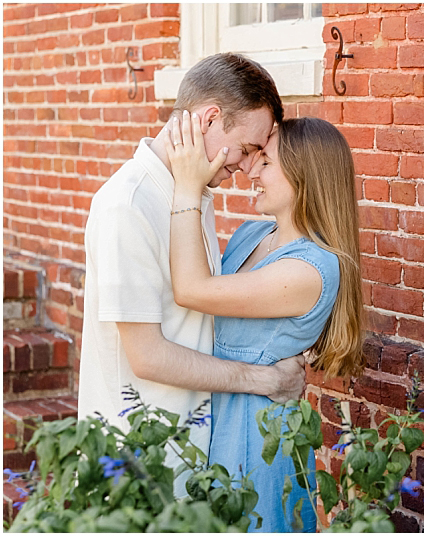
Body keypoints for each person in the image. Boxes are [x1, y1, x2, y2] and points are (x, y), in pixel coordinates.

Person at [78, 53, 306, 498]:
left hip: (190, 457)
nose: (245, 167)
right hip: (140, 469)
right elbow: (148, 356)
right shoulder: (128, 205)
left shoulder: (192, 192)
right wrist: (265, 379)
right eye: (245, 149)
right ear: (210, 119)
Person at [166, 112, 365, 532]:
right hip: (212, 414)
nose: (251, 170)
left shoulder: (311, 269)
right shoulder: (249, 234)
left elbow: (192, 290)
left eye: (266, 162)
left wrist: (188, 185)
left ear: (304, 178)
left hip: (257, 440)